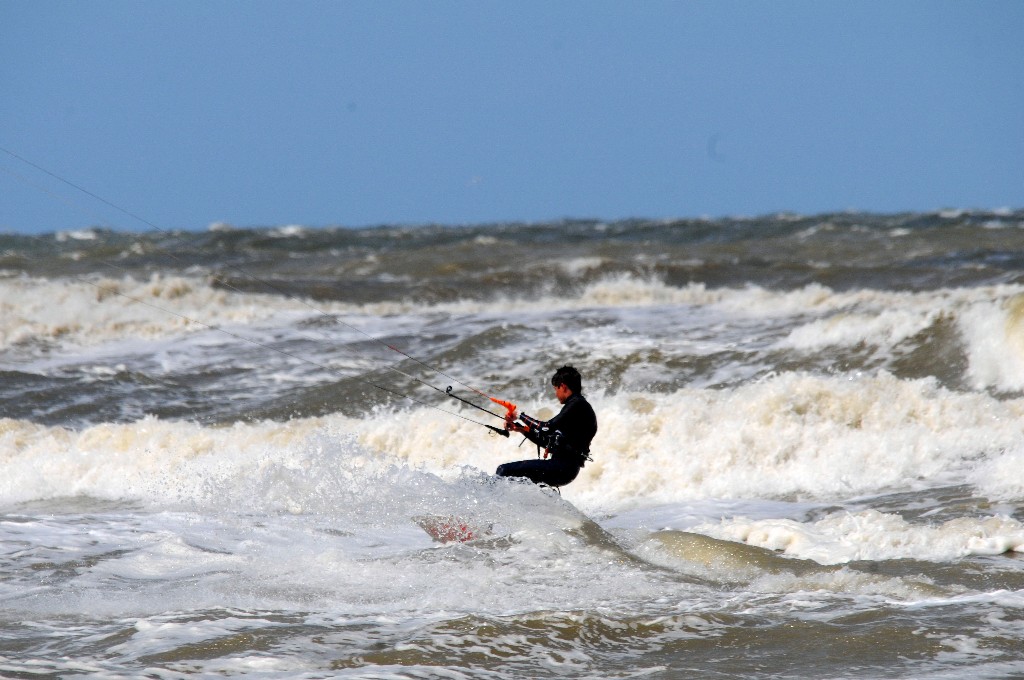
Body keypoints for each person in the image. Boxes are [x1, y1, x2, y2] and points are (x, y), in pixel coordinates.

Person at [496, 365, 598, 488]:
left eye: (556, 389)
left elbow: (546, 428)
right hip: (563, 468)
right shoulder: (575, 409)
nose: (556, 393)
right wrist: (520, 429)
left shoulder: (578, 404)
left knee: (503, 471)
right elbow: (546, 441)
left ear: (563, 386)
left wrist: (519, 415)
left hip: (563, 467)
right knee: (521, 485)